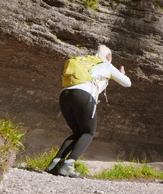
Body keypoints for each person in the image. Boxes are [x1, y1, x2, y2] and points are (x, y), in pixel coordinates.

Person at [45, 44, 131, 178]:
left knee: (78, 132)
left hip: (65, 95)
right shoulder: (105, 64)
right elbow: (127, 83)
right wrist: (120, 74)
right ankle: (68, 166)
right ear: (108, 57)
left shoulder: (83, 60)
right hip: (83, 95)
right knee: (88, 132)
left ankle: (54, 164)